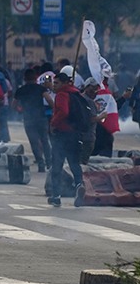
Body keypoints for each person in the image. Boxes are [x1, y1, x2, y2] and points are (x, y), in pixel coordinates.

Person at [48, 72, 85, 208]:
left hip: (62, 134)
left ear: (64, 83)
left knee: (56, 165)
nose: (54, 85)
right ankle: (80, 185)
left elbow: (63, 111)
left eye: (57, 83)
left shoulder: (62, 95)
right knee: (74, 163)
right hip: (75, 134)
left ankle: (56, 196)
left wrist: (53, 123)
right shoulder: (76, 93)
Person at [12, 68, 55, 172]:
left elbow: (13, 104)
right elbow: (49, 99)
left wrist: (19, 110)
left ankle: (41, 164)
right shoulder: (40, 88)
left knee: (34, 142)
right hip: (41, 117)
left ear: (24, 79)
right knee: (45, 140)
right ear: (35, 78)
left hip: (28, 118)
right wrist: (54, 109)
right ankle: (49, 162)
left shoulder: (21, 90)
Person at [80, 78, 104, 164]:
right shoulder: (89, 101)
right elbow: (92, 119)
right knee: (82, 162)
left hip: (79, 136)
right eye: (91, 89)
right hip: (88, 137)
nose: (94, 92)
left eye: (96, 89)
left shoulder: (79, 98)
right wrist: (102, 116)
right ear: (86, 88)